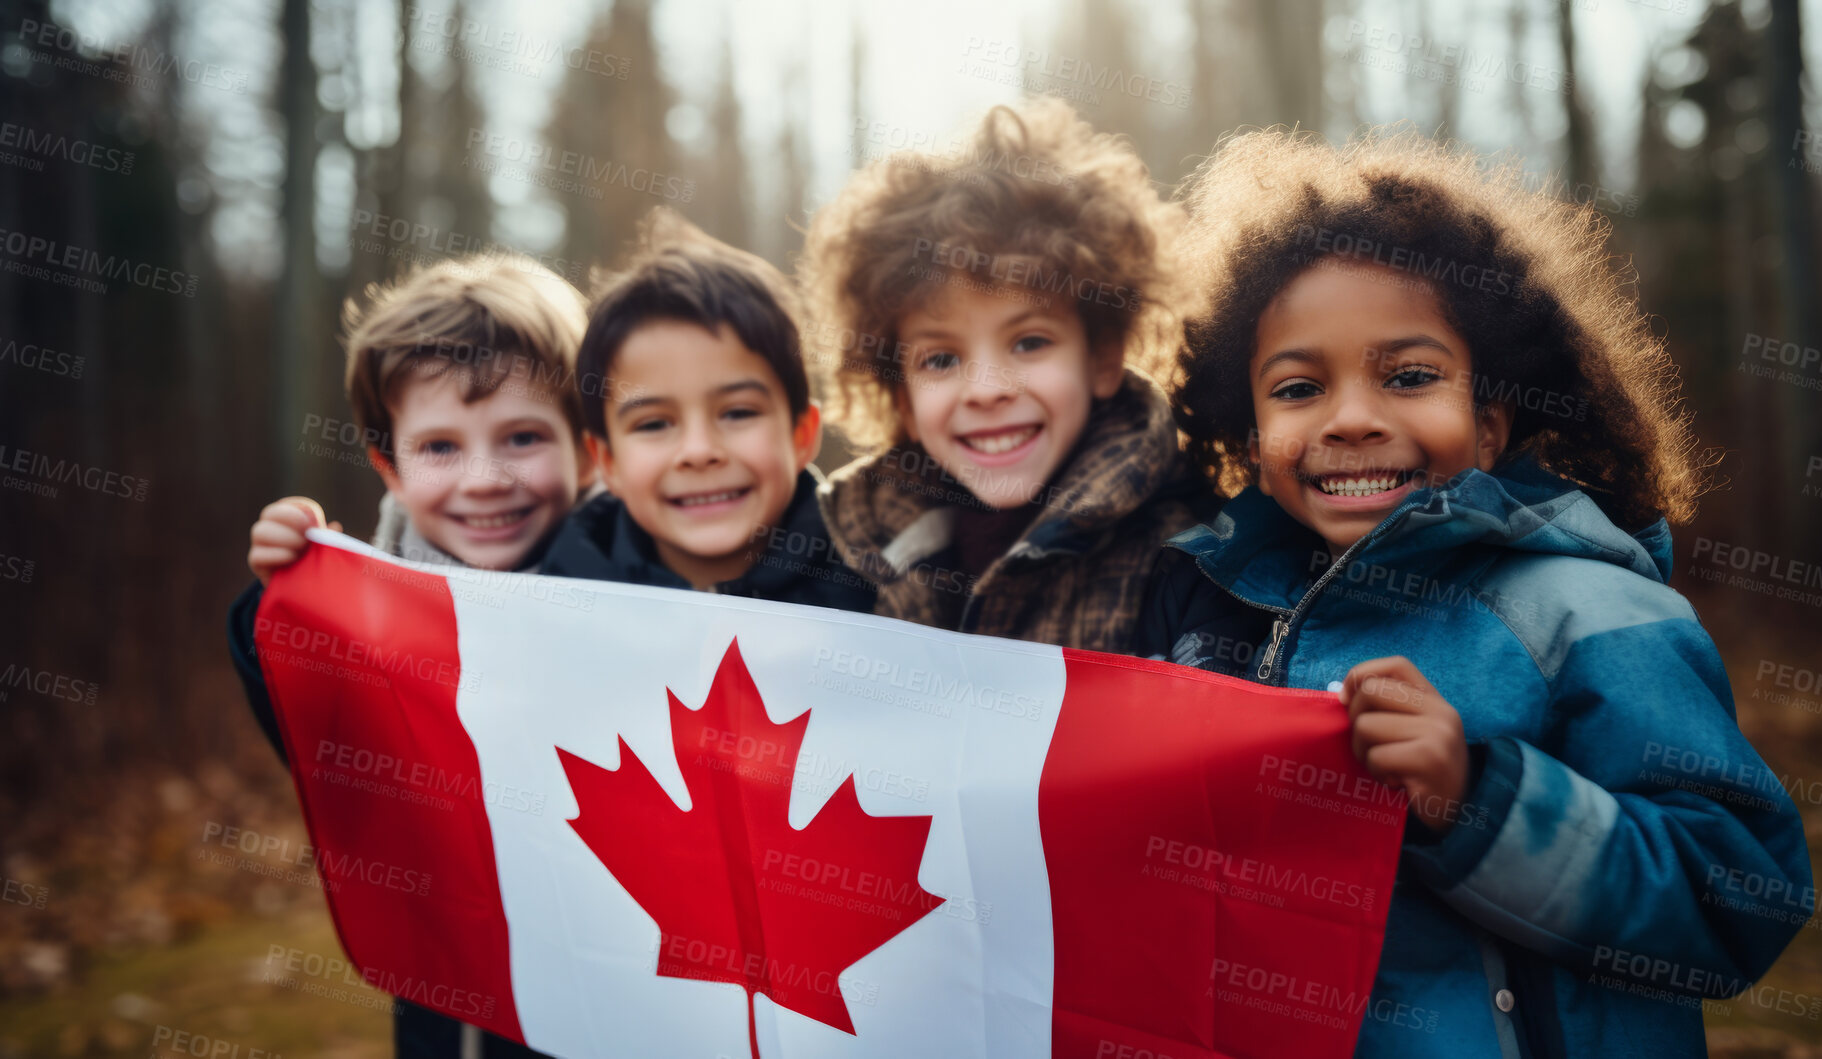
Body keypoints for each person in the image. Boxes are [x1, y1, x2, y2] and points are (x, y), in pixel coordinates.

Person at [1141, 128, 1812, 1057]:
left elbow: (1739, 896)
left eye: (1408, 377)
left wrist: (1478, 800)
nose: (1350, 419)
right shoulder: (1209, 610)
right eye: (1297, 388)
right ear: (1251, 438)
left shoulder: (1589, 610)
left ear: (1488, 425)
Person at [228, 252, 590, 1059]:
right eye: (439, 447)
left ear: (589, 449)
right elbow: (320, 744)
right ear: (389, 464)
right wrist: (284, 609)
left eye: (523, 436)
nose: (485, 478)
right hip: (449, 1000)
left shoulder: (641, 586)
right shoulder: (369, 619)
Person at [800, 97, 1212, 650]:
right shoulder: (851, 554)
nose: (988, 389)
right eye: (940, 360)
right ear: (903, 401)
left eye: (1030, 342)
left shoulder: (1190, 561)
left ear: (1103, 359)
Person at [538, 208, 874, 616]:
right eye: (655, 423)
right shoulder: (557, 600)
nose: (699, 451)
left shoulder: (880, 587)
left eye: (737, 414)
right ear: (608, 461)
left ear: (801, 435)